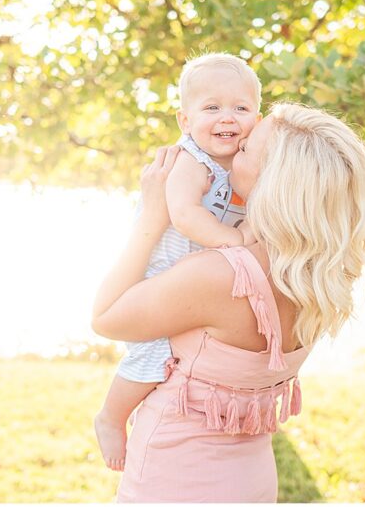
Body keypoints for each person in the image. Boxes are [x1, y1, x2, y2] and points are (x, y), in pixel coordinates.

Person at [91, 103, 365, 501]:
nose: (234, 148)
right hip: (252, 479)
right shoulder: (323, 276)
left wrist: (153, 217)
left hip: (175, 478)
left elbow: (106, 318)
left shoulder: (220, 275)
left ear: (272, 182)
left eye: (245, 149)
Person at [94, 52, 263, 471]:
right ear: (185, 121)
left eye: (241, 108)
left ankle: (154, 417)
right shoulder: (192, 160)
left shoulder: (242, 162)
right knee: (150, 356)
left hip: (193, 279)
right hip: (158, 270)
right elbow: (186, 215)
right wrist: (235, 241)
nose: (228, 117)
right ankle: (111, 417)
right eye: (212, 107)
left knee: (177, 360)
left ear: (257, 116)